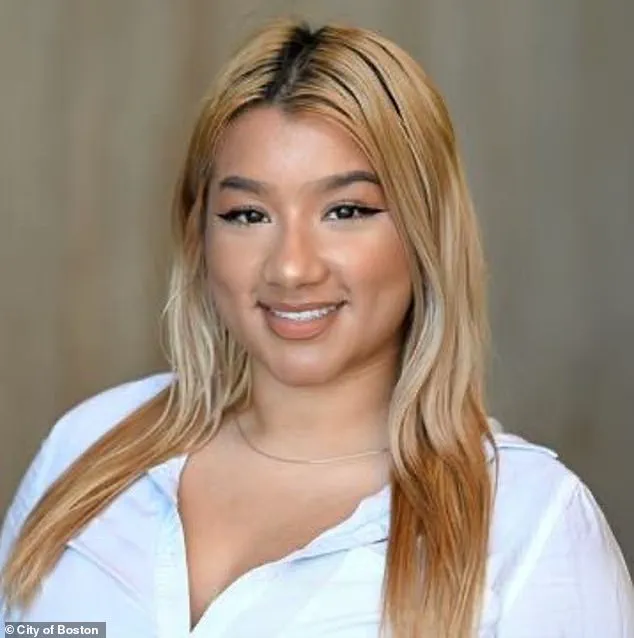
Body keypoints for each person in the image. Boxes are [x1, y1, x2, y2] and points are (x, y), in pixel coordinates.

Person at [1, 17, 633, 638]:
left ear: (426, 232)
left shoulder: (532, 527)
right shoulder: (85, 449)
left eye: (346, 210)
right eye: (248, 215)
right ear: (199, 234)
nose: (292, 267)